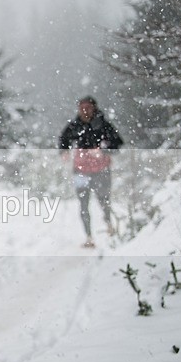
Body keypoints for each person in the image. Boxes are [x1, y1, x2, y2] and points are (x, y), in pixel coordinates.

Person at [59, 96, 123, 248]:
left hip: (101, 170)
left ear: (94, 108)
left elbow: (118, 143)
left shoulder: (103, 125)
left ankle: (109, 226)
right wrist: (64, 151)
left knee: (104, 200)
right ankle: (89, 237)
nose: (85, 111)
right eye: (82, 108)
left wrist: (102, 151)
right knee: (83, 205)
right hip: (80, 171)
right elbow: (64, 139)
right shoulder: (75, 125)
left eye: (87, 108)